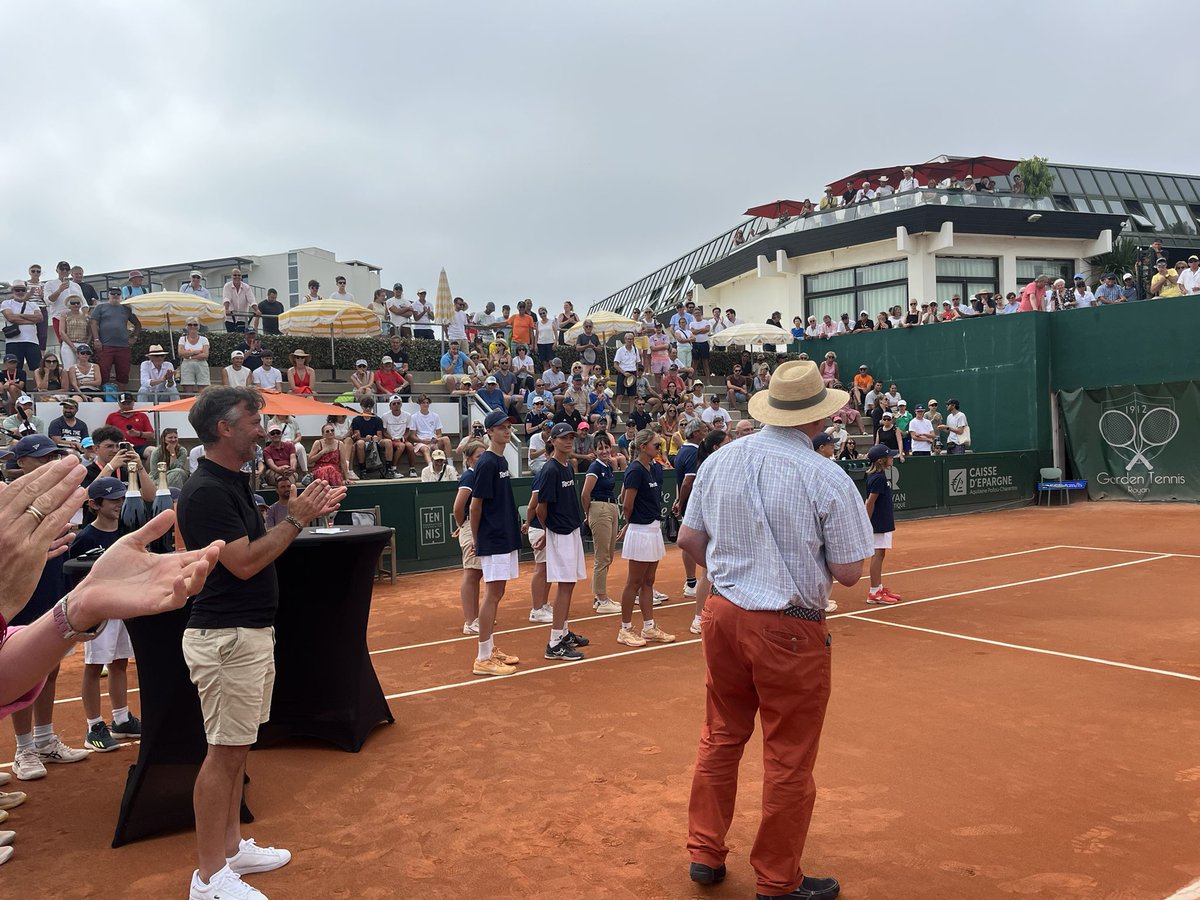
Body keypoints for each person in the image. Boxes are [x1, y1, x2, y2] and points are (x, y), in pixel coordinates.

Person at [677, 360, 873, 900]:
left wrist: (731, 568)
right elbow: (851, 573)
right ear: (817, 418)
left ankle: (705, 851)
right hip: (788, 626)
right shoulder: (826, 475)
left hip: (722, 614)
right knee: (788, 753)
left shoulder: (719, 461)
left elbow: (690, 542)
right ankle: (777, 879)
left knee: (720, 734)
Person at [178, 387, 344, 900]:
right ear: (225, 428)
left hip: (244, 633)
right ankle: (208, 878)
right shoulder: (207, 490)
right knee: (223, 755)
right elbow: (245, 562)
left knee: (237, 748)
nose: (262, 429)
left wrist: (284, 505)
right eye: (254, 419)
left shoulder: (231, 482)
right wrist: (297, 518)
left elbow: (250, 547)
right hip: (226, 637)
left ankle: (230, 850)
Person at [69, 477, 143, 753]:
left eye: (121, 499)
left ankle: (121, 719)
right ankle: (94, 726)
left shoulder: (127, 530)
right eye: (113, 500)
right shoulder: (84, 538)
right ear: (94, 504)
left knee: (120, 662)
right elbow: (73, 576)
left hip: (124, 607)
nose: (118, 504)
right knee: (93, 665)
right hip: (99, 611)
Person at [467, 409, 523, 676]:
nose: (506, 430)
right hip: (493, 537)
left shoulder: (501, 461)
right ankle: (482, 658)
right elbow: (474, 507)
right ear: (489, 431)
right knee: (492, 594)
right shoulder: (488, 462)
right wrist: (477, 540)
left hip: (504, 536)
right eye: (501, 427)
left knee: (497, 594)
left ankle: (489, 648)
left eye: (508, 426)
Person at [530, 422, 591, 661]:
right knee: (564, 586)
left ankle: (563, 633)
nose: (569, 441)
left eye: (571, 437)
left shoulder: (567, 467)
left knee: (570, 584)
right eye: (564, 437)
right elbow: (540, 508)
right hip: (560, 534)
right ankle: (554, 642)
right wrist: (549, 533)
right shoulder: (551, 470)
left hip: (571, 531)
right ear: (553, 441)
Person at [614, 429, 675, 648]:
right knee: (634, 582)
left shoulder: (655, 468)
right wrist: (630, 524)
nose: (659, 449)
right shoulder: (635, 470)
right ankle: (625, 629)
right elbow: (627, 503)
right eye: (656, 445)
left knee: (649, 581)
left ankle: (649, 627)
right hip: (640, 530)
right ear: (642, 447)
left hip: (653, 528)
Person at [672, 419, 706, 634]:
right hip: (693, 503)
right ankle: (694, 583)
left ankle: (691, 581)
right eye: (703, 430)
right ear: (695, 434)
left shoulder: (683, 451)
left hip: (688, 503)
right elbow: (687, 482)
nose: (706, 432)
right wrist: (682, 501)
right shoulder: (693, 452)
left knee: (688, 542)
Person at [581, 437, 620, 614]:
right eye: (600, 448)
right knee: (602, 556)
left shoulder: (607, 466)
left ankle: (600, 597)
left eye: (606, 447)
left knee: (608, 555)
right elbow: (584, 494)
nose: (604, 451)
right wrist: (588, 514)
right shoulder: (595, 467)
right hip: (599, 508)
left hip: (611, 507)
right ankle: (601, 598)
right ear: (595, 450)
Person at [453, 441, 487, 635]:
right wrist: (463, 525)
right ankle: (470, 621)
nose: (482, 459)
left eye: (484, 455)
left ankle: (475, 618)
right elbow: (458, 507)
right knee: (472, 574)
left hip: (479, 528)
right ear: (468, 460)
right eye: (478, 456)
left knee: (477, 574)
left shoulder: (479, 475)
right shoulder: (469, 476)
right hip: (470, 527)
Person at [864, 444, 902, 605]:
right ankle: (874, 592)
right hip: (878, 522)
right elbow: (870, 503)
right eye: (889, 456)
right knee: (877, 555)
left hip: (882, 520)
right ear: (881, 461)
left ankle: (878, 587)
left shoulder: (878, 476)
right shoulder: (878, 478)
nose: (891, 458)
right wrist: (867, 523)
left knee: (880, 554)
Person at [176, 320, 212, 394]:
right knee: (187, 391)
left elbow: (205, 355)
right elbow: (180, 353)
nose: (193, 326)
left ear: (198, 326)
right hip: (187, 366)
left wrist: (188, 356)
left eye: (195, 324)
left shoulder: (204, 339)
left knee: (203, 391)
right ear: (187, 326)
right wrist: (196, 352)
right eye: (190, 324)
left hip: (201, 365)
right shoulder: (182, 339)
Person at [222, 268, 259, 333]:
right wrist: (226, 309)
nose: (237, 277)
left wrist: (257, 310)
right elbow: (227, 299)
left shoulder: (246, 287)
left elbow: (251, 300)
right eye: (235, 275)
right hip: (230, 319)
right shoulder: (227, 286)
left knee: (243, 337)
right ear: (231, 276)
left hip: (243, 318)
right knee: (231, 338)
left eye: (239, 275)